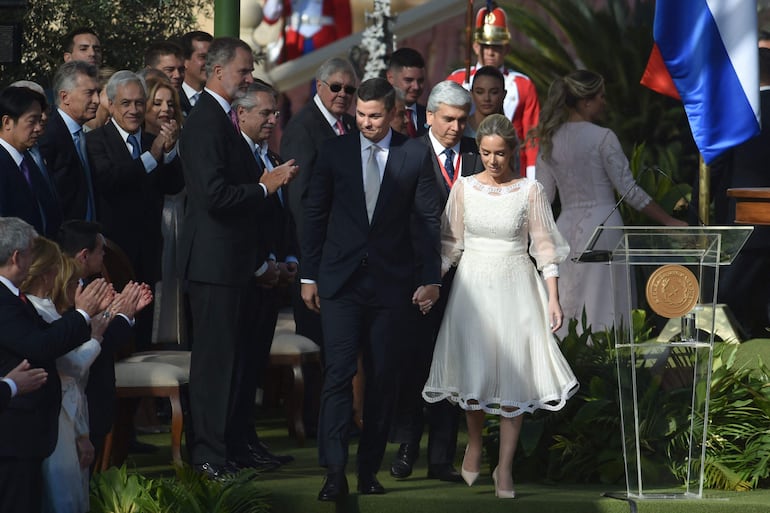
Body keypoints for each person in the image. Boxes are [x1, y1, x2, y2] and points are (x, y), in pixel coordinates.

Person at [422, 114, 578, 499]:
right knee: (473, 369)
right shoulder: (463, 188)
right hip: (472, 289)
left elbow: (545, 249)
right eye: (487, 153)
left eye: (501, 154)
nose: (493, 161)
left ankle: (504, 469)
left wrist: (554, 297)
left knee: (515, 375)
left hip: (516, 287)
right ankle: (475, 444)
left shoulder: (530, 190)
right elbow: (449, 245)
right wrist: (431, 284)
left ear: (514, 151)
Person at [301, 77, 442, 501]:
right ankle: (334, 470)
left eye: (374, 116)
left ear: (393, 111)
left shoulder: (414, 153)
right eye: (360, 115)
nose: (365, 122)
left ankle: (367, 470)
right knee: (339, 374)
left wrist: (430, 277)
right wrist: (309, 275)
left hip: (391, 284)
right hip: (340, 282)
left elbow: (427, 220)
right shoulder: (334, 151)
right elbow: (314, 213)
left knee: (383, 379)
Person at [178, 36, 297, 480]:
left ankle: (229, 446)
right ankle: (207, 454)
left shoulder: (219, 118)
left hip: (233, 265)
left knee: (236, 362)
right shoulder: (206, 121)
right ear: (217, 71)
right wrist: (266, 185)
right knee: (214, 365)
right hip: (214, 266)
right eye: (244, 71)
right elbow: (213, 196)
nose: (249, 78)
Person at [532, 70, 686, 338]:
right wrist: (668, 220)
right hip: (604, 227)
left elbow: (543, 198)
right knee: (604, 302)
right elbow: (629, 190)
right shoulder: (602, 137)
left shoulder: (548, 141)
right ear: (585, 101)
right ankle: (608, 365)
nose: (605, 102)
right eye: (601, 96)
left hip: (565, 228)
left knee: (569, 299)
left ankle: (570, 359)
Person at [389, 81, 483, 484]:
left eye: (462, 119)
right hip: (417, 281)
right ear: (429, 116)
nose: (455, 127)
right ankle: (408, 446)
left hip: (467, 282)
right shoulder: (407, 152)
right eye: (448, 118)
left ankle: (442, 457)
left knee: (453, 364)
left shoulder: (478, 154)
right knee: (414, 365)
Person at [0, 216, 112, 513]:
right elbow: (41, 346)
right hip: (14, 430)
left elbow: (48, 338)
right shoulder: (4, 300)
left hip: (32, 429)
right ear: (17, 257)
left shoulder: (16, 298)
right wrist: (83, 315)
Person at [86, 70, 183, 352]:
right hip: (113, 251)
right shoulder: (96, 141)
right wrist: (152, 157)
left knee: (144, 324)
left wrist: (171, 150)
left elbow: (173, 185)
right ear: (112, 105)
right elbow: (110, 181)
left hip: (149, 247)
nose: (134, 110)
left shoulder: (151, 138)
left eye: (140, 103)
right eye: (126, 103)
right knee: (115, 325)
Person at [232, 80, 297, 467]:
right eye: (264, 113)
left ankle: (249, 440)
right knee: (239, 366)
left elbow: (282, 219)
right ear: (240, 114)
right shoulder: (238, 159)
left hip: (273, 276)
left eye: (275, 113)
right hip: (244, 278)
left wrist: (287, 258)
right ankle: (236, 444)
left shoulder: (272, 158)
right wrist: (261, 265)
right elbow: (238, 222)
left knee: (254, 362)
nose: (272, 120)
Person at [20, 238, 105, 513]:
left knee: (75, 496)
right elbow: (71, 367)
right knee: (61, 498)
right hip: (51, 417)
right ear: (47, 273)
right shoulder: (34, 312)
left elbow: (75, 383)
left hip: (69, 414)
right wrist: (96, 338)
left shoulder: (52, 313)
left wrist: (82, 432)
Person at [280, 57, 356, 348]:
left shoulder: (348, 124)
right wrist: (308, 266)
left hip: (345, 253)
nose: (342, 95)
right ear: (319, 86)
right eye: (336, 87)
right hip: (317, 255)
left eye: (349, 90)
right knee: (317, 342)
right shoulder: (303, 128)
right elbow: (301, 200)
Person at [694, 48, 770, 338]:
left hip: (745, 225)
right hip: (750, 224)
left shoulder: (738, 114)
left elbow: (714, 165)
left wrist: (696, 214)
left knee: (729, 298)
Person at [446, 4, 540, 176]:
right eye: (485, 45)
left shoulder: (523, 84)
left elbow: (532, 136)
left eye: (496, 46)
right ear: (475, 46)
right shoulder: (457, 80)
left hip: (509, 164)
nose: (490, 52)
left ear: (507, 48)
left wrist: (532, 176)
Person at [39, 61, 100, 221]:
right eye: (89, 93)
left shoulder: (82, 136)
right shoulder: (48, 136)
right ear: (65, 97)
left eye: (98, 92)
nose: (97, 100)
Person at [0, 86, 62, 238]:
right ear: (7, 122)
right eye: (32, 121)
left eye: (40, 121)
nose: (38, 128)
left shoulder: (28, 159)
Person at [261, 0, 352, 63]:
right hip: (293, 41)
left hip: (324, 40)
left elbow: (343, 17)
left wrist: (343, 48)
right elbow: (270, 17)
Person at [386, 47, 428, 137]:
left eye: (420, 81)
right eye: (408, 80)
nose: (416, 87)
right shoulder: (380, 118)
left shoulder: (430, 116)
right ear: (390, 78)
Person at [178, 31, 213, 117]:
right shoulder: (172, 99)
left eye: (212, 57)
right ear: (185, 61)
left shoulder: (217, 98)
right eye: (203, 57)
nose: (209, 62)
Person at [465, 65, 506, 138]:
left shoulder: (508, 132)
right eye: (480, 92)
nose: (486, 98)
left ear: (504, 94)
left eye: (494, 92)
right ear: (471, 94)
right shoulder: (460, 129)